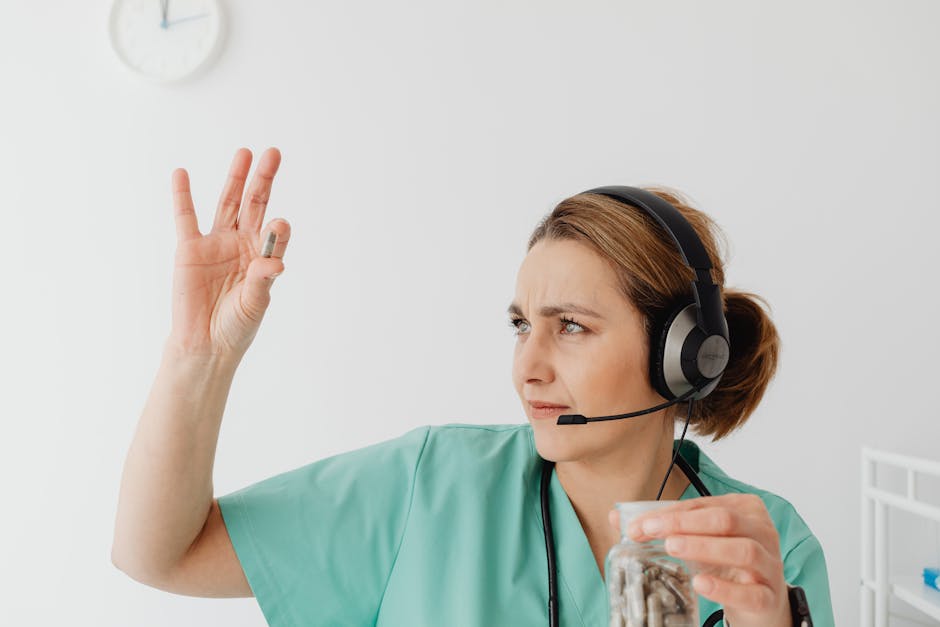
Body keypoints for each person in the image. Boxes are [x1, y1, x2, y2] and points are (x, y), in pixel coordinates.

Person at [111, 147, 835, 626]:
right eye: (522, 324)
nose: (528, 367)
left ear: (685, 355)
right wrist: (195, 358)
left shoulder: (766, 547)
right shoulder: (431, 485)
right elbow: (159, 553)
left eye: (572, 326)